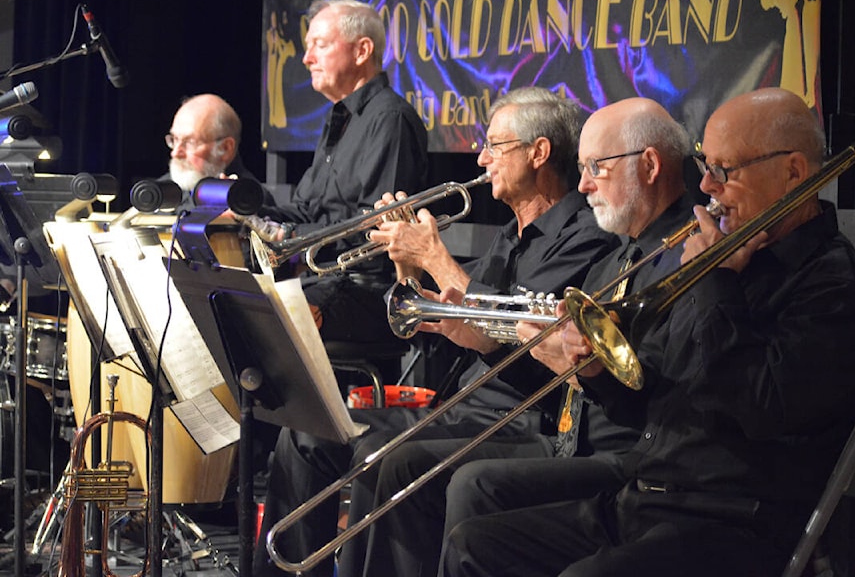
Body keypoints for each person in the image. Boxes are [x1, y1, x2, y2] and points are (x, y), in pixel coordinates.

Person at [440, 87, 855, 577]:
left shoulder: (832, 284)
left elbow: (760, 408)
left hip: (732, 523)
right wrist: (595, 371)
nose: (708, 188)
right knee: (475, 544)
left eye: (725, 171)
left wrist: (714, 281)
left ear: (794, 172)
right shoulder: (740, 261)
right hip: (644, 498)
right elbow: (652, 404)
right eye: (705, 166)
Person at [253, 86, 618, 577]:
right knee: (305, 434)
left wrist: (434, 257)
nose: (482, 157)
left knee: (386, 460)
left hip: (522, 420)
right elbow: (431, 318)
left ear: (539, 152)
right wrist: (407, 266)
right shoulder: (510, 235)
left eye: (495, 145)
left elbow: (507, 323)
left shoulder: (585, 237)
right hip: (461, 404)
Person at [353, 97, 699, 577]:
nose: (584, 185)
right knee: (383, 457)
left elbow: (642, 382)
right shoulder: (618, 254)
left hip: (573, 435)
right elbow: (475, 320)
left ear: (649, 166)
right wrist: (408, 261)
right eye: (581, 168)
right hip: (551, 426)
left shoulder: (612, 242)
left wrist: (436, 258)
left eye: (596, 167)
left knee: (454, 481)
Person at [253, 0, 429, 350]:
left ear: (362, 50)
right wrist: (249, 214)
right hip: (325, 280)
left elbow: (376, 230)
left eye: (320, 44)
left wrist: (289, 235)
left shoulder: (390, 118)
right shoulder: (340, 117)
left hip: (365, 290)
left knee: (260, 332)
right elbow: (306, 209)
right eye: (307, 47)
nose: (306, 58)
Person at [162, 93, 264, 197]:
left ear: (225, 148)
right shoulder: (160, 193)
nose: (175, 153)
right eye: (174, 139)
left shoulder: (251, 202)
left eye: (190, 142)